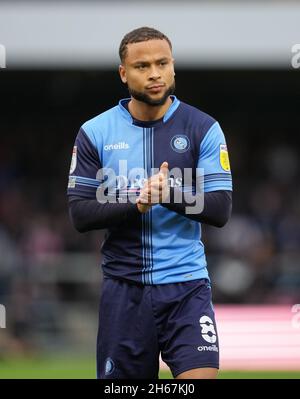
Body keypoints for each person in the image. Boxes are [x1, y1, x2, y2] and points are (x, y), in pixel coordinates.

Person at [67, 26, 232, 379]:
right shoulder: (95, 132)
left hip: (187, 287)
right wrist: (137, 204)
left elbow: (220, 208)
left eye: (163, 63)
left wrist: (168, 194)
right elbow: (80, 214)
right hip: (124, 290)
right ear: (124, 74)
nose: (155, 73)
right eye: (142, 66)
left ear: (173, 66)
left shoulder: (204, 128)